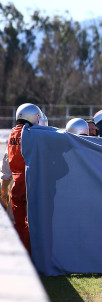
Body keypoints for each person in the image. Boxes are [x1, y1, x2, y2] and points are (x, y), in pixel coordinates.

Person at [8, 103, 43, 252]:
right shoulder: (31, 133)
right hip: (31, 182)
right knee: (33, 222)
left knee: (19, 223)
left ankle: (21, 253)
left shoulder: (11, 134)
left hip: (16, 183)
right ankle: (32, 254)